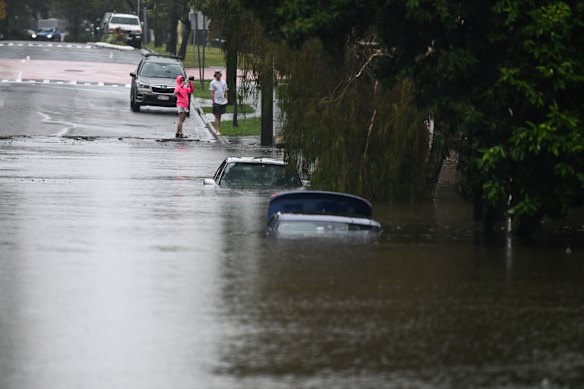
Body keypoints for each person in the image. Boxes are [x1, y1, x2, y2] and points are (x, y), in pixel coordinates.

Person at [209, 71, 228, 135]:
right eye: (217, 74)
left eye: (219, 74)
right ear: (215, 75)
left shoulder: (224, 82)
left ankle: (218, 129)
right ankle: (216, 130)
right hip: (216, 101)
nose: (218, 75)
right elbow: (211, 92)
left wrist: (225, 99)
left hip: (223, 102)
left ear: (220, 75)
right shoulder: (213, 83)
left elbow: (225, 91)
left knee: (220, 116)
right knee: (217, 116)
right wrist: (213, 101)